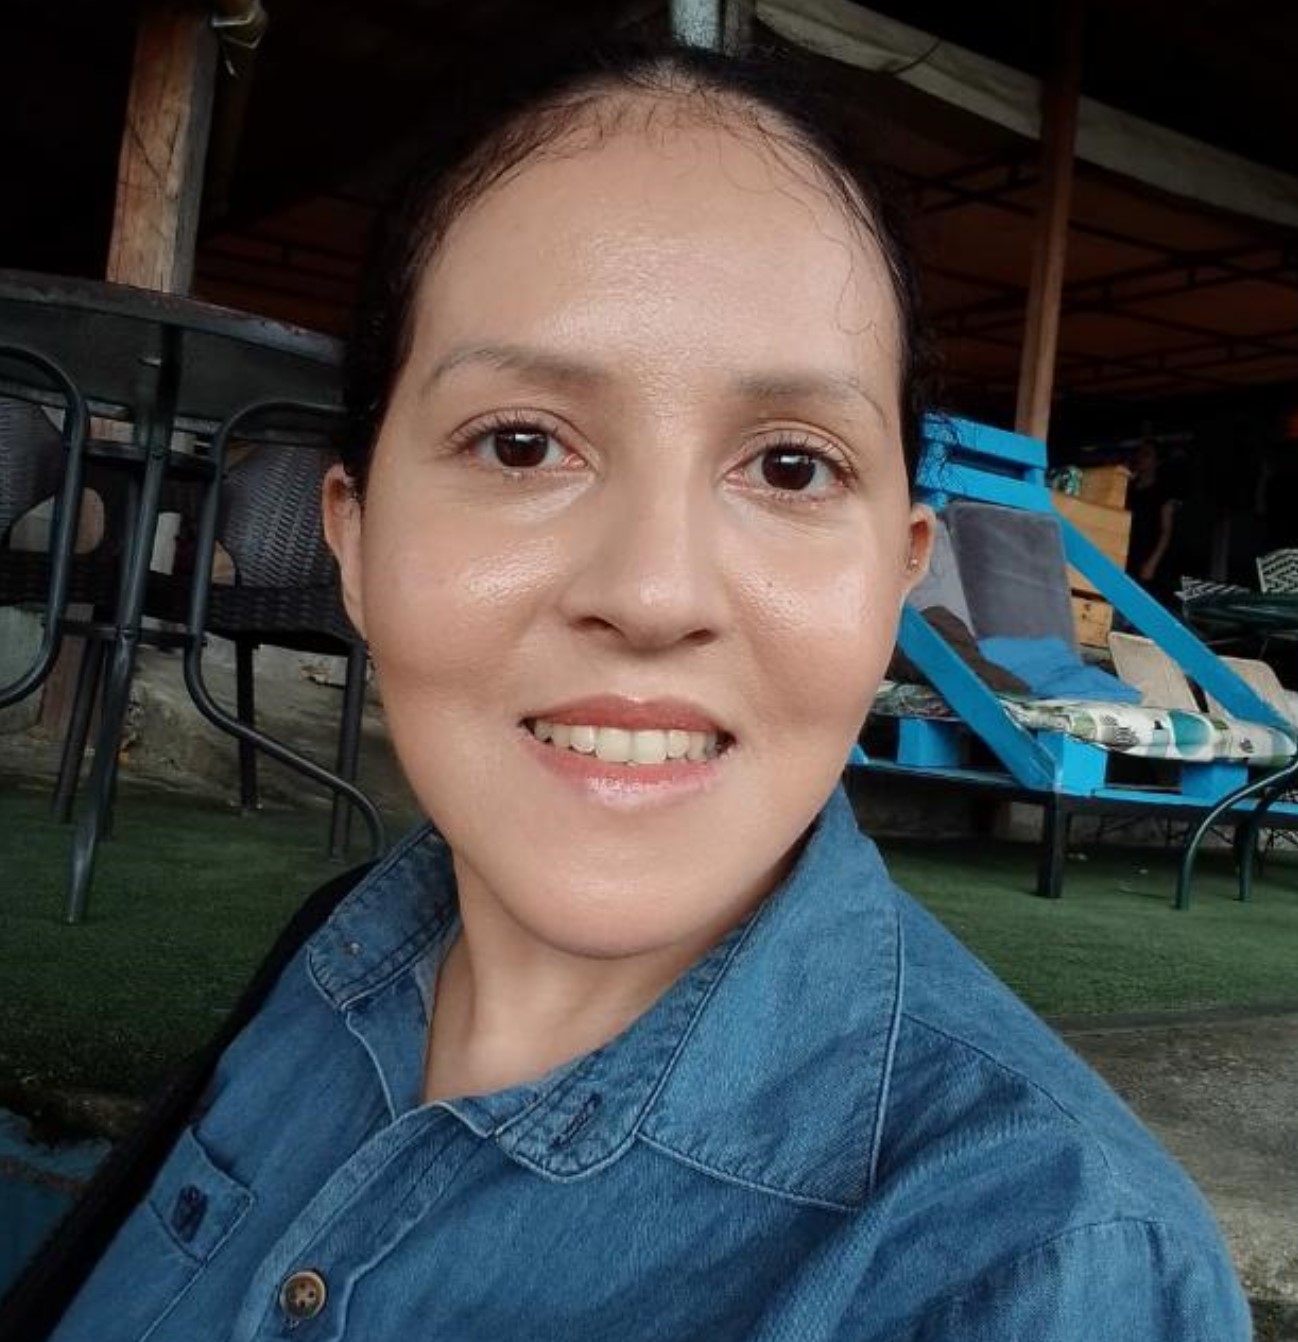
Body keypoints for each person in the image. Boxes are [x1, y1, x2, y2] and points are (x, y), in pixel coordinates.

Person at [33, 42, 1248, 1341]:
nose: (654, 591)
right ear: (356, 536)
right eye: (520, 444)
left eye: (789, 466)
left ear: (896, 575)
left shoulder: (1048, 1270)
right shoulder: (331, 955)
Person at [1126, 437, 1182, 606]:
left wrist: (1152, 563)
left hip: (1148, 560)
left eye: (1147, 455)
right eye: (1140, 453)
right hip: (1127, 555)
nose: (1140, 458)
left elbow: (1166, 531)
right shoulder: (1129, 488)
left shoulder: (1163, 492)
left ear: (1157, 462)